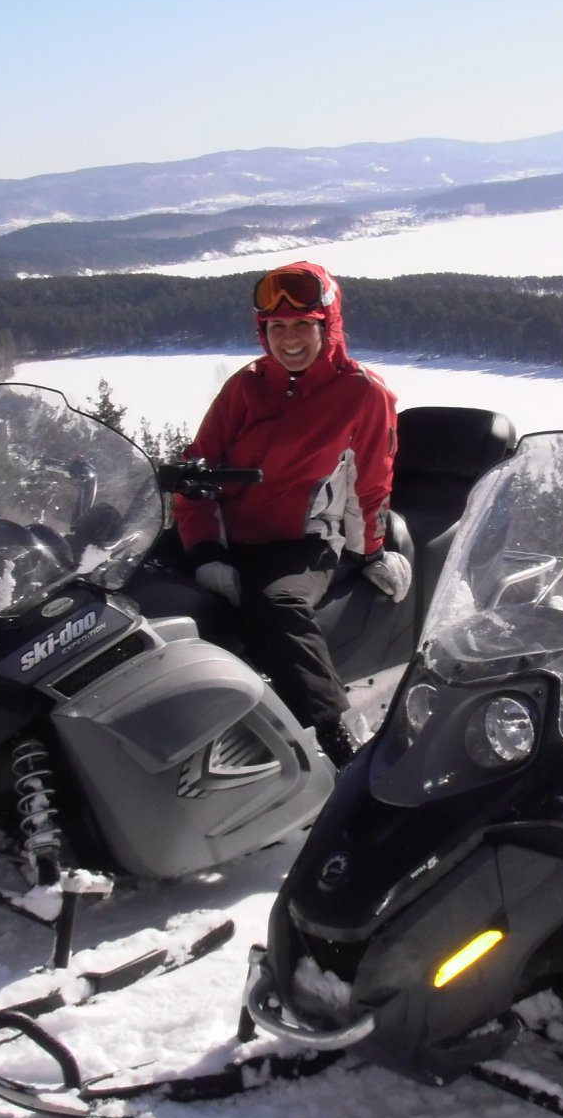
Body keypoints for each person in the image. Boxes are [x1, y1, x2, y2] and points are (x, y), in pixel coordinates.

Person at [174, 261, 410, 767]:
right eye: (277, 327)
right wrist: (207, 550)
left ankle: (337, 739)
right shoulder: (246, 386)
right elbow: (195, 470)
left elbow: (373, 481)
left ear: (329, 326)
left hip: (303, 544)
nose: (290, 338)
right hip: (228, 537)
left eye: (304, 324)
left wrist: (372, 551)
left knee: (276, 605)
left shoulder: (363, 393)